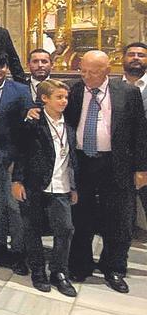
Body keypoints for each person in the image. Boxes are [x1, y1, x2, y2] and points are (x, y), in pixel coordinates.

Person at [62, 50, 147, 293]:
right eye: (83, 70)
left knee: (118, 218)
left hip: (116, 164)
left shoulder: (127, 92)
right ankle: (80, 264)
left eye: (93, 72)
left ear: (108, 71)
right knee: (81, 215)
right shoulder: (74, 90)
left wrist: (142, 168)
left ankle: (114, 268)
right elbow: (48, 102)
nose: (86, 76)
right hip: (82, 163)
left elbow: (140, 132)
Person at [13, 79, 78, 297]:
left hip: (61, 185)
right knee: (32, 229)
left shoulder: (69, 122)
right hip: (34, 184)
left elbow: (72, 157)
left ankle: (59, 271)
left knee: (66, 229)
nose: (64, 101)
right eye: (59, 97)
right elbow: (21, 153)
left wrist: (74, 186)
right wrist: (17, 181)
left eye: (66, 97)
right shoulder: (33, 122)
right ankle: (38, 270)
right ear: (44, 99)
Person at [0, 52, 32, 275]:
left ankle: (18, 250)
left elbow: (27, 127)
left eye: (2, 66)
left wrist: (19, 159)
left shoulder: (20, 90)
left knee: (14, 206)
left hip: (12, 156)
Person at [122, 43, 147, 217]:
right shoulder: (111, 87)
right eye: (131, 54)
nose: (136, 58)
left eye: (141, 55)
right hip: (120, 157)